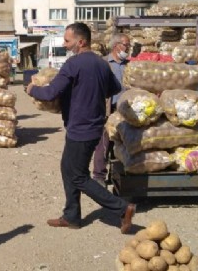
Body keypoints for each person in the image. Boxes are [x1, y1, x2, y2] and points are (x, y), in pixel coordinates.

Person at [26, 22, 135, 233]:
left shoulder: (73, 64)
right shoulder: (102, 64)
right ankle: (72, 216)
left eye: (68, 41)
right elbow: (114, 88)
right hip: (94, 127)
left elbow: (50, 93)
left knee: (78, 175)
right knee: (68, 168)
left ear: (81, 41)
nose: (65, 45)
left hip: (80, 129)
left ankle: (122, 208)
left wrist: (31, 89)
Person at [92, 33, 131, 187]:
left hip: (126, 110)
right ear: (117, 46)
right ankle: (99, 176)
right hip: (108, 109)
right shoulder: (103, 63)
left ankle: (119, 172)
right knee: (104, 142)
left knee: (123, 142)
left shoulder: (129, 65)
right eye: (126, 45)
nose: (128, 48)